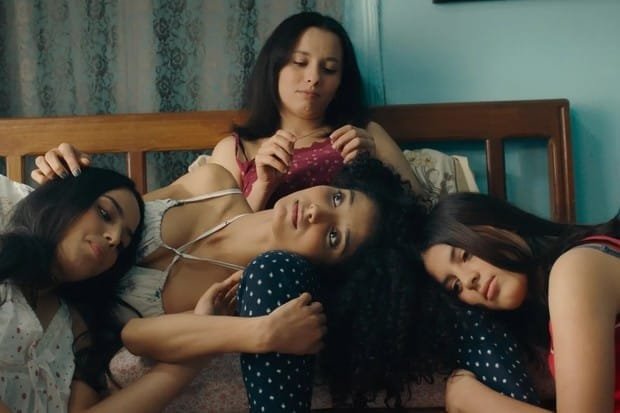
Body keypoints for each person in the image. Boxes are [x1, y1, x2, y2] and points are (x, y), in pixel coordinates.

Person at [32, 12, 419, 212]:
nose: (314, 78)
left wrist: (374, 165)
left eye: (329, 69)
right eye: (300, 62)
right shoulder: (236, 150)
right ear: (274, 67)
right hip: (272, 268)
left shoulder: (364, 134)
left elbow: (419, 208)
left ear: (341, 81)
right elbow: (216, 232)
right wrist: (263, 185)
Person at [0, 167, 204, 413]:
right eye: (105, 213)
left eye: (123, 245)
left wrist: (199, 349)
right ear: (65, 198)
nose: (114, 238)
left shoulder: (78, 329)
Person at [415, 192, 620, 412]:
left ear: (500, 225)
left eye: (465, 255)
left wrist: (470, 399)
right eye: (455, 286)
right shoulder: (549, 305)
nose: (468, 280)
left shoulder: (574, 271)